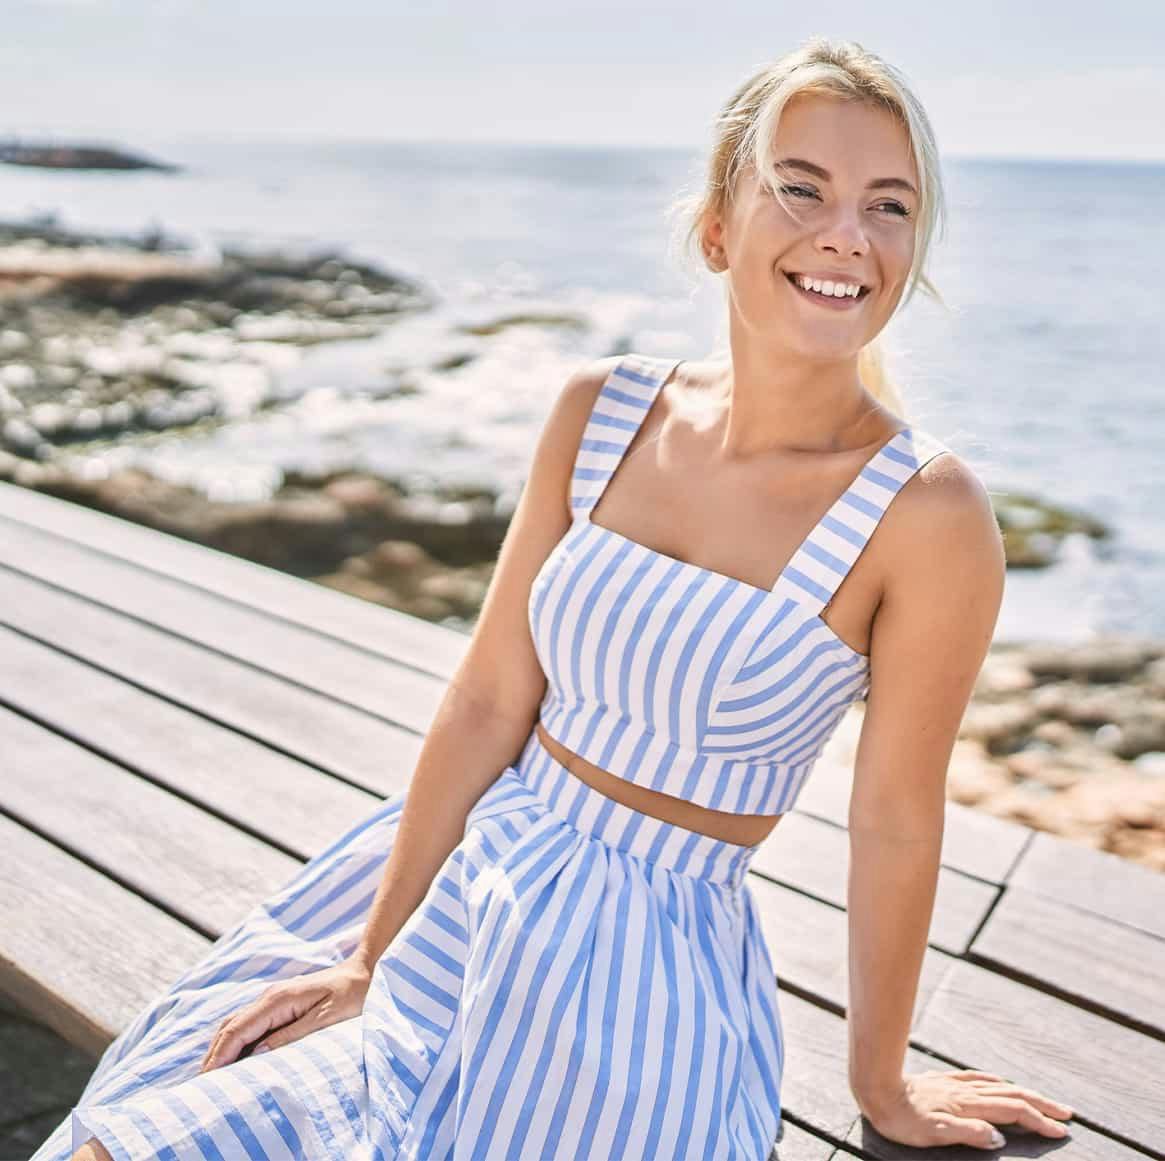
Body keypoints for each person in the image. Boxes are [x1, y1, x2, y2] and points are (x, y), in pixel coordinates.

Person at [43, 36, 1077, 1161]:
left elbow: (892, 820)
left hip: (637, 978)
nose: (847, 234)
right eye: (801, 187)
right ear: (716, 227)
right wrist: (368, 953)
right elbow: (489, 698)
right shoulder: (602, 412)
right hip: (452, 888)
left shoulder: (926, 514)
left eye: (890, 205)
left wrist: (881, 1087)